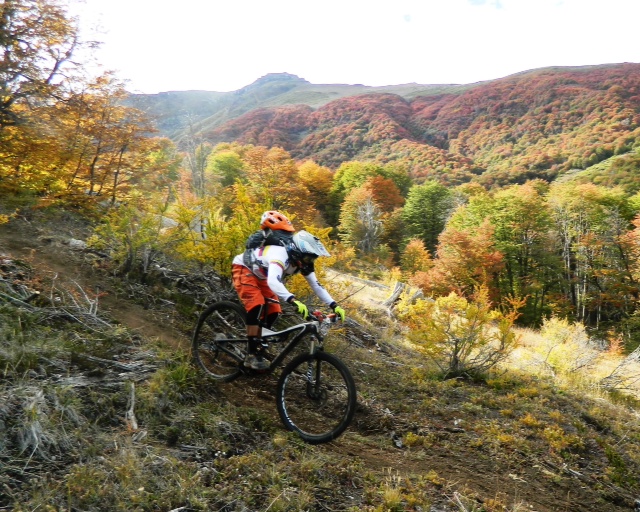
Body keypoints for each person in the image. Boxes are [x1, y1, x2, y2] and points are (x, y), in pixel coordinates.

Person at [231, 211, 346, 370]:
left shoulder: (302, 262)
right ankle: (251, 354)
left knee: (274, 311)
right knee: (256, 304)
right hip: (244, 268)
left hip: (261, 274)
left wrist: (334, 305)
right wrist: (293, 300)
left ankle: (259, 343)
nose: (309, 262)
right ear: (298, 252)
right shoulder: (280, 255)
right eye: (308, 258)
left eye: (313, 259)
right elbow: (273, 281)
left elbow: (316, 285)